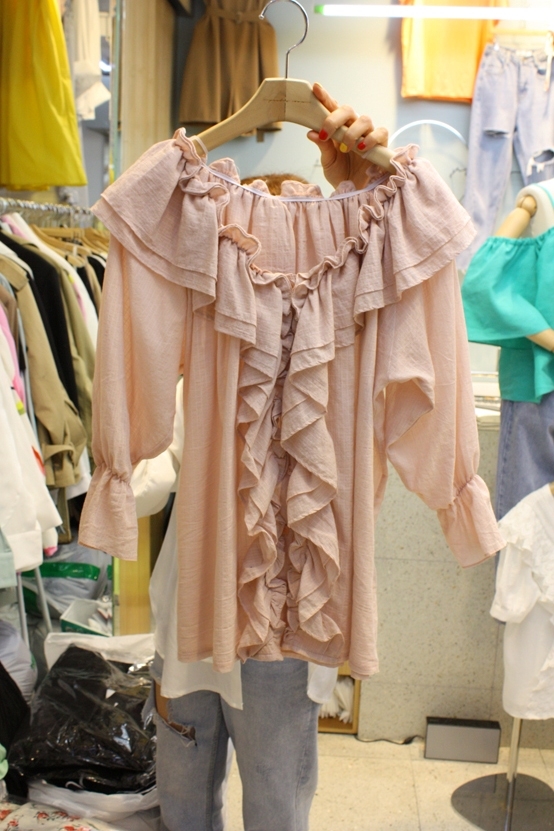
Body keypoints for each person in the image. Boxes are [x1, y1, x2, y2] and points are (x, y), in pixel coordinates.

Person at [130, 84, 390, 831]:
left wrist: (367, 180)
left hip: (281, 626)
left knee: (271, 803)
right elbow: (148, 477)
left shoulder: (338, 333)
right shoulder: (207, 339)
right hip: (191, 617)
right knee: (188, 801)